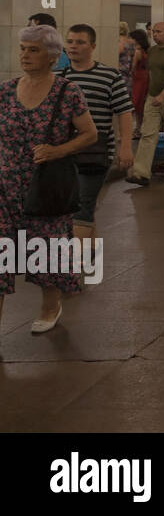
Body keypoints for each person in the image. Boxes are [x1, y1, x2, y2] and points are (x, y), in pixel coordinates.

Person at [0, 25, 98, 334]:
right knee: (2, 252)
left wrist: (57, 151)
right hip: (5, 187)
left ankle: (50, 305)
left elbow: (89, 134)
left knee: (47, 250)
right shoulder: (5, 90)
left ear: (52, 56)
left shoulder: (67, 91)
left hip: (46, 187)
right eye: (23, 49)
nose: (25, 55)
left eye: (33, 50)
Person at [59, 24, 134, 241]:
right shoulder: (57, 76)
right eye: (70, 41)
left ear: (92, 46)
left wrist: (126, 147)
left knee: (83, 204)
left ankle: (73, 264)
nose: (73, 46)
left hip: (96, 152)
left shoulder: (109, 76)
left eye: (80, 42)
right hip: (64, 151)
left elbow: (124, 112)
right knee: (79, 205)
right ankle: (90, 253)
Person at [125, 21, 164, 186]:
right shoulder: (151, 51)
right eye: (153, 32)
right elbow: (149, 74)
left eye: (158, 32)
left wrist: (162, 95)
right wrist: (150, 96)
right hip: (152, 98)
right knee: (147, 134)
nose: (155, 34)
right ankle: (141, 172)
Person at [128, 28, 150, 133]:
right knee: (141, 106)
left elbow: (133, 66)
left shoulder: (137, 51)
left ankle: (134, 129)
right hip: (145, 77)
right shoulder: (148, 49)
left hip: (137, 78)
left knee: (134, 105)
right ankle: (139, 128)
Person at [118, 22, 135, 90]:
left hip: (121, 71)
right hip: (129, 71)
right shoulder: (131, 41)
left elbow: (117, 53)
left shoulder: (119, 40)